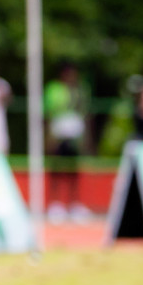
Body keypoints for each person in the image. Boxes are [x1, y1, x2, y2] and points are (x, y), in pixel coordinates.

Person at [44, 62, 88, 223]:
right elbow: (49, 114)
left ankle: (74, 204)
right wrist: (49, 138)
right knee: (56, 170)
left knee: (73, 172)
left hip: (74, 136)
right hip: (58, 135)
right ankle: (55, 204)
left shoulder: (79, 90)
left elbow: (84, 114)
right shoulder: (54, 89)